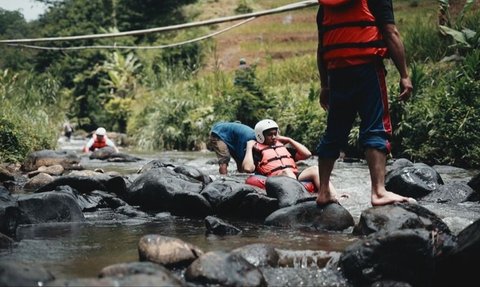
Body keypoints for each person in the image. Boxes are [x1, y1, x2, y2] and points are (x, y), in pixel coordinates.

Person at [315, 0, 415, 206]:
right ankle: (378, 192)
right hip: (367, 70)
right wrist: (404, 74)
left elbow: (321, 47)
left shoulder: (325, 4)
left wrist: (325, 85)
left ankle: (324, 190)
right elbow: (391, 33)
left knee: (334, 131)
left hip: (336, 72)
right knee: (376, 126)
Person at [242, 119, 336, 193]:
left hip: (294, 176)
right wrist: (249, 147)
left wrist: (289, 140)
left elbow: (307, 154)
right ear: (260, 136)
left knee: (315, 169)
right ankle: (299, 195)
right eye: (270, 135)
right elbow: (248, 168)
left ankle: (332, 195)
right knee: (287, 171)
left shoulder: (282, 147)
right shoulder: (257, 150)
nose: (274, 137)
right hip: (274, 178)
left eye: (275, 134)